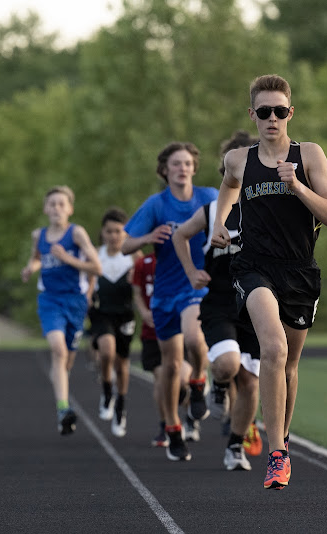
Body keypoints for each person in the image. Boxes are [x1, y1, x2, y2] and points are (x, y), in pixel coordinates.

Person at [211, 75, 327, 489]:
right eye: (263, 111)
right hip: (254, 268)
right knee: (273, 347)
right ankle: (277, 454)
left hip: (300, 271)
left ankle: (281, 436)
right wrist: (219, 223)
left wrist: (296, 184)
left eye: (279, 111)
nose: (272, 118)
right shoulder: (238, 159)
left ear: (290, 113)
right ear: (252, 115)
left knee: (288, 364)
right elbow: (228, 187)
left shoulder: (309, 155)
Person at [122, 141, 217, 461]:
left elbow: (234, 221)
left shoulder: (209, 197)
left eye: (188, 163)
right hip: (164, 293)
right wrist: (147, 238)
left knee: (195, 337)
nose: (183, 168)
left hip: (198, 285)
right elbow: (124, 245)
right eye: (176, 163)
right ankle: (174, 428)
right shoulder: (156, 204)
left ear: (194, 167)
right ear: (164, 170)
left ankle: (200, 380)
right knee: (170, 366)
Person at [174, 130, 261, 471]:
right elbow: (180, 236)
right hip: (221, 302)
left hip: (256, 305)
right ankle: (219, 382)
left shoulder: (268, 209)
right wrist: (192, 271)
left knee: (252, 383)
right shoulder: (212, 212)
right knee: (226, 364)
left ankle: (235, 446)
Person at [21, 185, 103, 436]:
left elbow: (96, 268)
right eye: (52, 204)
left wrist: (68, 259)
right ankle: (63, 408)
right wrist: (30, 268)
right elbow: (37, 257)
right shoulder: (40, 235)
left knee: (67, 358)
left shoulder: (76, 234)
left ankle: (62, 390)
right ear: (45, 208)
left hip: (75, 302)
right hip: (50, 300)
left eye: (61, 204)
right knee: (57, 349)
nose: (56, 208)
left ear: (69, 209)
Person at [131, 252, 192, 447]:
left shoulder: (185, 259)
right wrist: (144, 312)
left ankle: (191, 403)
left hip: (180, 330)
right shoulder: (144, 263)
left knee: (181, 379)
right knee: (161, 380)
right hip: (152, 332)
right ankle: (166, 424)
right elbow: (137, 291)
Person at [89, 207, 139, 438]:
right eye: (109, 231)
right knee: (106, 352)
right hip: (101, 313)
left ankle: (121, 405)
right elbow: (87, 281)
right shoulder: (95, 255)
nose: (114, 236)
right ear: (103, 233)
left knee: (122, 363)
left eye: (118, 231)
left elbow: (148, 279)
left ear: (125, 233)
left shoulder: (133, 257)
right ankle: (107, 390)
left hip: (125, 314)